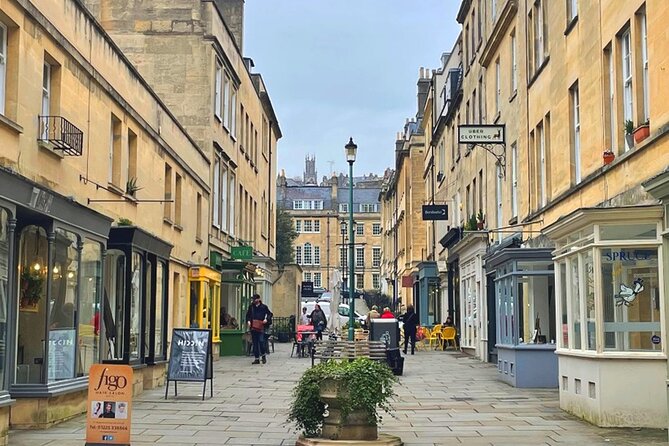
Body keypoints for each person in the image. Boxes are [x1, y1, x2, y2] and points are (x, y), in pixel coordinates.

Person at [245, 294, 272, 364]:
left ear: (259, 299)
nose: (254, 301)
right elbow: (248, 315)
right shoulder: (251, 307)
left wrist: (266, 319)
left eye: (255, 299)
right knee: (255, 343)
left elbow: (270, 314)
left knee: (261, 341)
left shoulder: (264, 307)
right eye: (253, 299)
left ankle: (263, 355)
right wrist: (248, 321)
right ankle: (256, 358)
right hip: (253, 327)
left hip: (261, 327)